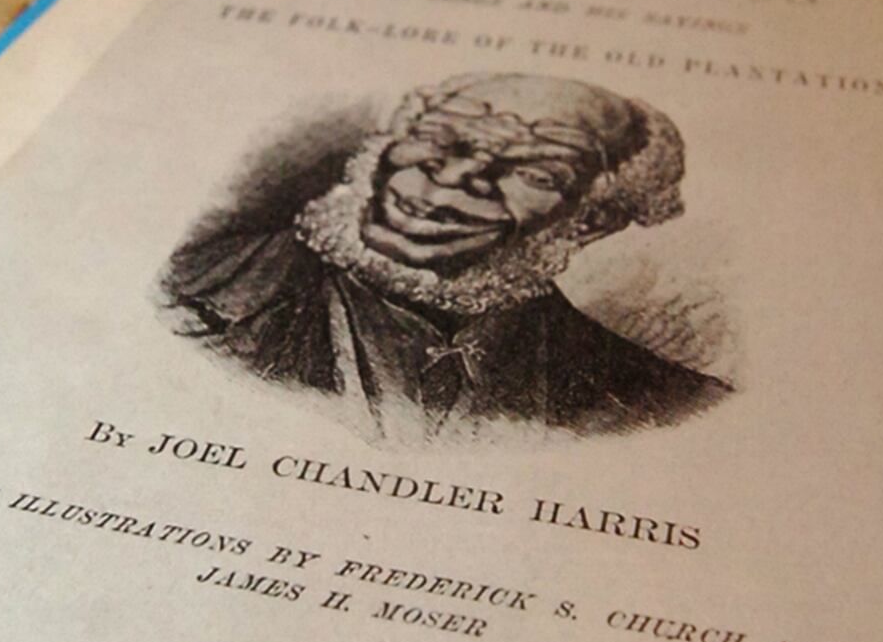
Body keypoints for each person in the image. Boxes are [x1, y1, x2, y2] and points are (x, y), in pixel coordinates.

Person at [157, 71, 729, 439]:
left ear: (594, 219)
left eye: (533, 169)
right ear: (383, 148)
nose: (454, 179)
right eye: (441, 139)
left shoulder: (659, 405)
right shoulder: (191, 299)